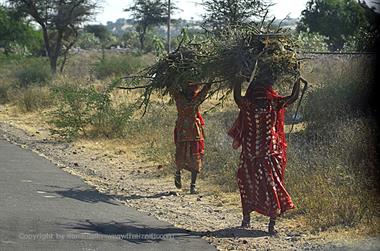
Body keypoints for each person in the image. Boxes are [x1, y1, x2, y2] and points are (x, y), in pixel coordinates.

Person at [228, 68, 307, 235]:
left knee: (249, 182)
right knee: (270, 185)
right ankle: (268, 222)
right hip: (266, 152)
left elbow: (236, 97)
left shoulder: (249, 103)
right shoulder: (273, 103)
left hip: (258, 153)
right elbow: (293, 97)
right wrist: (297, 79)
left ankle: (250, 218)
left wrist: (237, 79)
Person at [171, 83, 210, 194]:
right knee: (182, 154)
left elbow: (204, 91)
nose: (190, 90)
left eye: (191, 88)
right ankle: (178, 173)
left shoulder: (190, 98)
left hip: (192, 132)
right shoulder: (181, 97)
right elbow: (205, 91)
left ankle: (192, 185)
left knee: (195, 157)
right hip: (187, 130)